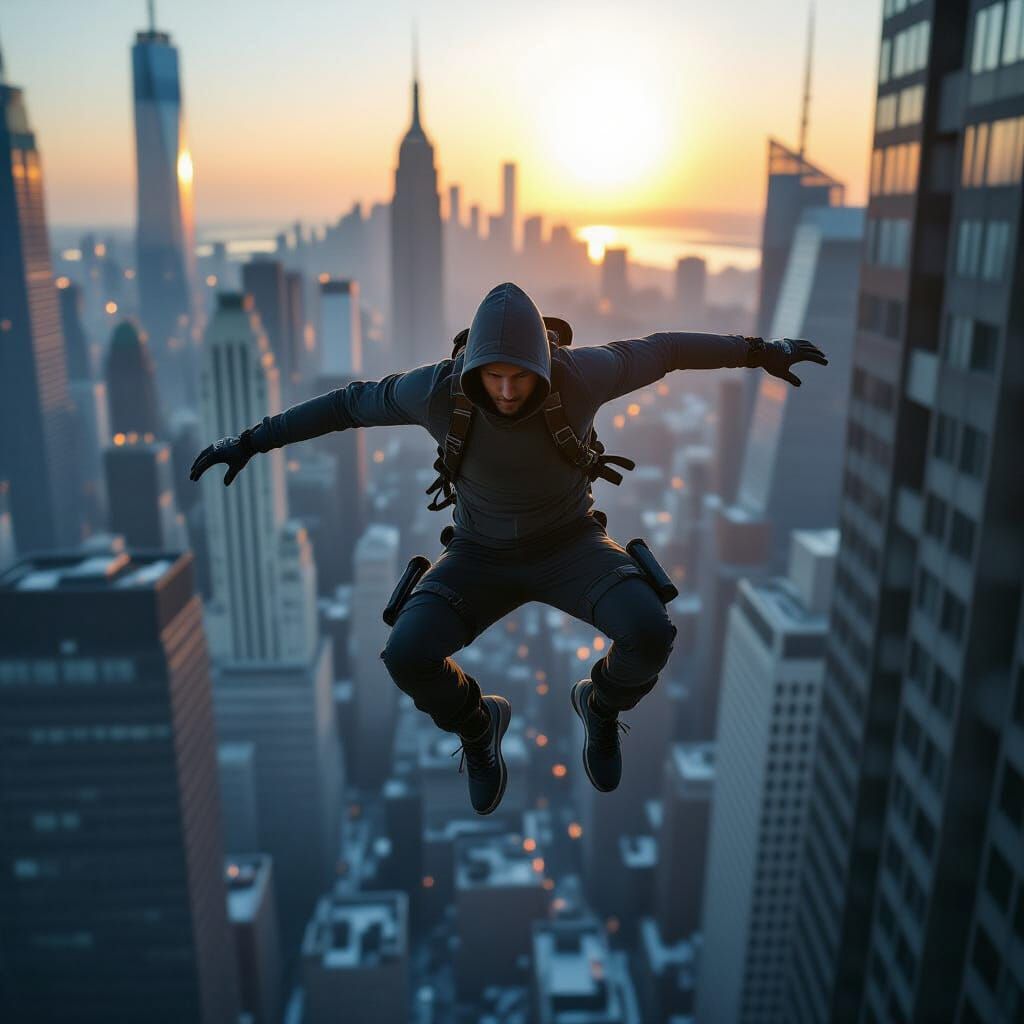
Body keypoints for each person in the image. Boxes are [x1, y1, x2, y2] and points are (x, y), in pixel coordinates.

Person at [190, 281, 827, 815]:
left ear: (542, 367)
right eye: (490, 378)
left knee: (650, 632)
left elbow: (663, 351)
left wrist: (758, 351)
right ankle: (477, 723)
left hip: (573, 544)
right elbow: (347, 406)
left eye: (517, 378)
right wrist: (251, 441)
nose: (503, 390)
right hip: (478, 556)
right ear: (469, 370)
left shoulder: (582, 375)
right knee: (405, 654)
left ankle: (599, 704)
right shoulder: (435, 391)